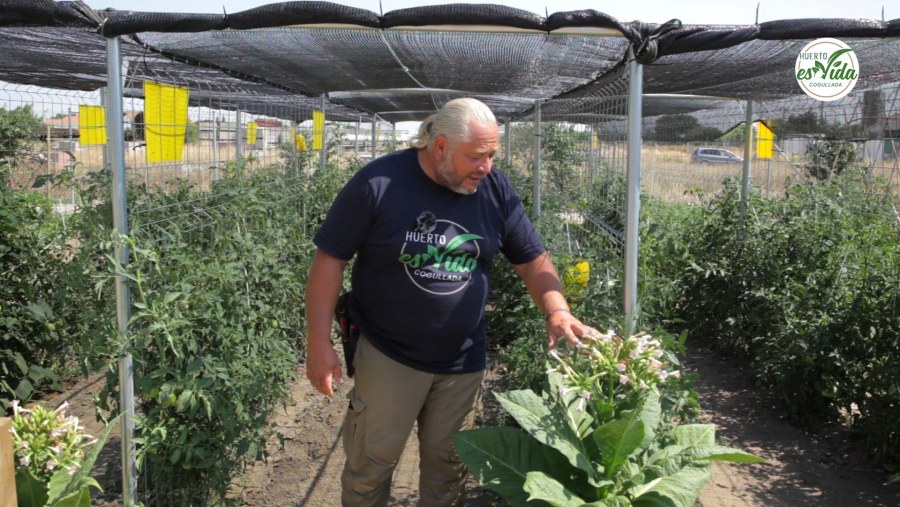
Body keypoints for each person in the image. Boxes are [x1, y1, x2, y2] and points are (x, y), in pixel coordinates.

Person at [304, 98, 594, 507]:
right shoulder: (379, 183)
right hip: (390, 354)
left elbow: (532, 259)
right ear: (439, 147)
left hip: (462, 361)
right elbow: (329, 261)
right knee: (370, 466)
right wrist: (319, 344)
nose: (487, 167)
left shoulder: (494, 190)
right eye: (476, 156)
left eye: (493, 155)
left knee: (450, 472)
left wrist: (557, 308)